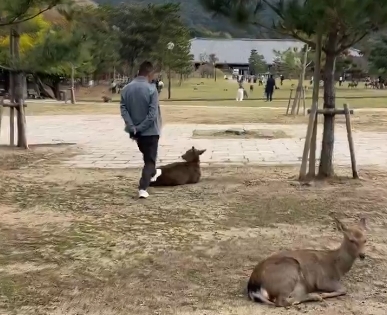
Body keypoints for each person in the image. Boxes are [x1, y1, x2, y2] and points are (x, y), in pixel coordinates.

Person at [120, 61, 162, 199]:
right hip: (150, 131)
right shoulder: (151, 89)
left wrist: (133, 127)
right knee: (150, 161)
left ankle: (153, 173)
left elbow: (124, 110)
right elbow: (152, 114)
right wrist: (141, 127)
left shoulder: (126, 89)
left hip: (136, 133)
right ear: (150, 73)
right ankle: (143, 187)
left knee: (147, 158)